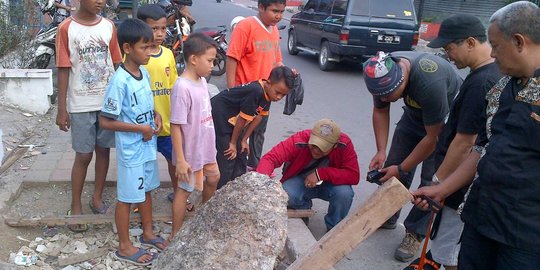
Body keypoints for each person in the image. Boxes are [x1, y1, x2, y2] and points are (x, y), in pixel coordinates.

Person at [413, 2, 540, 269]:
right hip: (481, 218)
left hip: (524, 236)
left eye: (496, 45)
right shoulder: (501, 87)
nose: (492, 54)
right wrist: (441, 188)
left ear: (519, 42)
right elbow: (483, 148)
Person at [410, 14, 502, 270]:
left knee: (447, 252)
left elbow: (465, 142)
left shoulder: (482, 82)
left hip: (459, 188)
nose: (449, 56)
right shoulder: (487, 74)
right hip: (464, 183)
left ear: (470, 42)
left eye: (450, 48)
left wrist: (438, 184)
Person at [362, 50, 462, 261]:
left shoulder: (429, 81)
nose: (384, 99)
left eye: (389, 94)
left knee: (431, 180)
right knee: (393, 167)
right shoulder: (379, 72)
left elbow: (432, 139)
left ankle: (415, 233)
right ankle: (388, 213)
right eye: (380, 95)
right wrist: (382, 151)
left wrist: (402, 168)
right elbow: (380, 111)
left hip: (444, 124)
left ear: (403, 78)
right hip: (414, 116)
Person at [100, 19, 166, 266]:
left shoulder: (144, 73)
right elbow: (106, 121)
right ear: (127, 48)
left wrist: (157, 117)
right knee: (127, 197)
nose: (150, 52)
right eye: (145, 47)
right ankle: (125, 246)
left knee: (147, 190)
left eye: (151, 47)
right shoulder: (120, 81)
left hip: (147, 147)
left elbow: (149, 106)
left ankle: (147, 233)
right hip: (131, 151)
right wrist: (139, 128)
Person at [55, 0, 122, 232]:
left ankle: (96, 197)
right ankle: (76, 205)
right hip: (80, 103)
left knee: (103, 151)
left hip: (107, 102)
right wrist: (62, 108)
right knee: (83, 155)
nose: (100, 1)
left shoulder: (109, 26)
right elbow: (63, 68)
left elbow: (117, 62)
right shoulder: (66, 28)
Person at [256, 119, 360, 231]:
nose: (316, 150)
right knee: (287, 192)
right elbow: (270, 159)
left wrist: (321, 174)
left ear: (334, 145)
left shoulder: (344, 145)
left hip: (331, 184)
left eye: (322, 148)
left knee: (344, 193)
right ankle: (303, 209)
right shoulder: (300, 140)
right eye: (314, 145)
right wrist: (261, 184)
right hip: (301, 181)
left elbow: (354, 175)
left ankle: (334, 229)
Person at [169, 33, 220, 240]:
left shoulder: (201, 81)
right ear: (193, 59)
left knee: (214, 177)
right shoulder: (182, 88)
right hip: (190, 153)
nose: (212, 66)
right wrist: (180, 160)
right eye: (209, 61)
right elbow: (175, 126)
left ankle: (202, 218)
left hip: (205, 148)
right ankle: (175, 234)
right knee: (184, 190)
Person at [226, 0, 286, 172]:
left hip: (266, 93)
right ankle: (234, 171)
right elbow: (232, 58)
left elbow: (277, 61)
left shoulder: (274, 30)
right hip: (245, 94)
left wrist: (287, 72)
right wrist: (231, 91)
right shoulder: (246, 26)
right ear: (261, 7)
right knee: (237, 135)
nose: (279, 16)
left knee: (258, 132)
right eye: (275, 11)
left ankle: (254, 167)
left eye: (281, 12)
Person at [212, 65, 294, 189]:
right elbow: (242, 119)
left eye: (283, 95)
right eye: (278, 93)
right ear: (268, 83)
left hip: (234, 119)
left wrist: (244, 140)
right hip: (221, 114)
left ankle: (237, 187)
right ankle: (220, 190)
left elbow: (258, 117)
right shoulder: (256, 91)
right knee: (228, 153)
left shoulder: (268, 94)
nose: (278, 97)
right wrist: (233, 143)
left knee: (241, 152)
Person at [136, 4, 182, 205]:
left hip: (167, 122)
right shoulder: (136, 57)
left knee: (175, 161)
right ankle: (140, 199)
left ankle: (179, 193)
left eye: (163, 28)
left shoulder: (168, 54)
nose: (160, 33)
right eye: (154, 29)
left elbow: (174, 86)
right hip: (144, 125)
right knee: (143, 164)